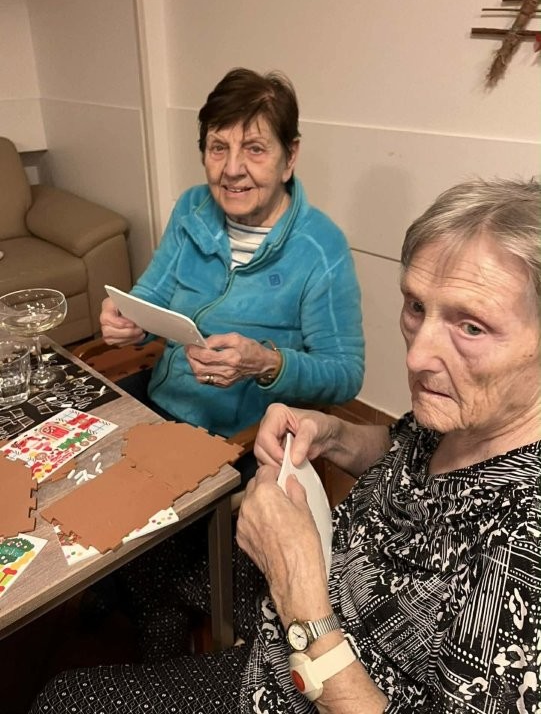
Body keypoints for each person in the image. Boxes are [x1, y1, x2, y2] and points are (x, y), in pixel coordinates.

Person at [30, 178, 540, 713]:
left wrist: (299, 596)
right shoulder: (468, 412)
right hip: (318, 587)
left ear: (288, 158)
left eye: (472, 327)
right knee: (155, 545)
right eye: (415, 306)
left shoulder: (524, 548)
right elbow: (402, 445)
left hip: (311, 665)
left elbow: (341, 370)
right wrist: (333, 433)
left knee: (65, 699)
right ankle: (163, 632)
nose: (416, 357)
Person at [99, 67, 364, 448]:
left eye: (254, 149)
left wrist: (266, 363)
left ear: (289, 156)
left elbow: (344, 374)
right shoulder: (192, 208)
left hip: (243, 437)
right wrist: (129, 318)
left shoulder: (321, 247)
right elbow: (153, 294)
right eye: (218, 148)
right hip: (163, 399)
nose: (233, 170)